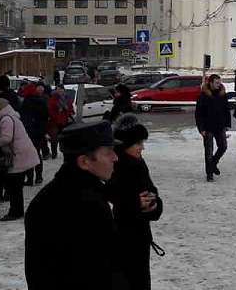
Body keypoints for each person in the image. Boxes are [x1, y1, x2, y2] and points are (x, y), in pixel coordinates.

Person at [25, 120, 129, 288]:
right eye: (109, 152)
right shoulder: (87, 205)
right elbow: (103, 271)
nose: (115, 157)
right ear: (84, 162)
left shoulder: (50, 196)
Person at [108, 114, 163, 290]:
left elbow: (150, 189)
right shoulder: (114, 166)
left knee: (140, 277)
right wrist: (135, 203)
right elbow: (111, 196)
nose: (143, 147)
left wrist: (154, 204)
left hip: (141, 232)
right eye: (138, 143)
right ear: (125, 145)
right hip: (124, 233)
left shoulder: (137, 162)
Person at [0, 98, 40, 221]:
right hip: (21, 154)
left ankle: (15, 212)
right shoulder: (12, 117)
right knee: (15, 186)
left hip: (17, 156)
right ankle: (16, 211)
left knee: (14, 187)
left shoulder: (6, 119)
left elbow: (6, 138)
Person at [194, 74, 231, 182]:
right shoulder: (203, 95)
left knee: (223, 146)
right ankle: (209, 173)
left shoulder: (222, 94)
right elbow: (198, 114)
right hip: (207, 127)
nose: (219, 85)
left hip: (220, 126)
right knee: (208, 151)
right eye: (216, 83)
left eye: (220, 82)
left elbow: (226, 110)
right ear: (210, 83)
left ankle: (213, 164)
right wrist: (201, 129)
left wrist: (226, 125)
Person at [19, 82, 49, 186]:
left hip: (29, 132)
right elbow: (46, 117)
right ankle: (39, 177)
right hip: (39, 132)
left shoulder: (26, 102)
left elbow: (23, 118)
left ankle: (30, 178)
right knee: (37, 154)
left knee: (29, 155)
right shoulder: (42, 101)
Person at [46, 82, 74, 159]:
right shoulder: (52, 98)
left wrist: (67, 109)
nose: (60, 91)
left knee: (64, 138)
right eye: (58, 89)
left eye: (61, 89)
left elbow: (70, 109)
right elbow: (50, 109)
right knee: (54, 139)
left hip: (64, 121)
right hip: (54, 121)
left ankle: (65, 151)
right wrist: (58, 109)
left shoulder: (67, 98)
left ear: (64, 90)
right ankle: (54, 153)